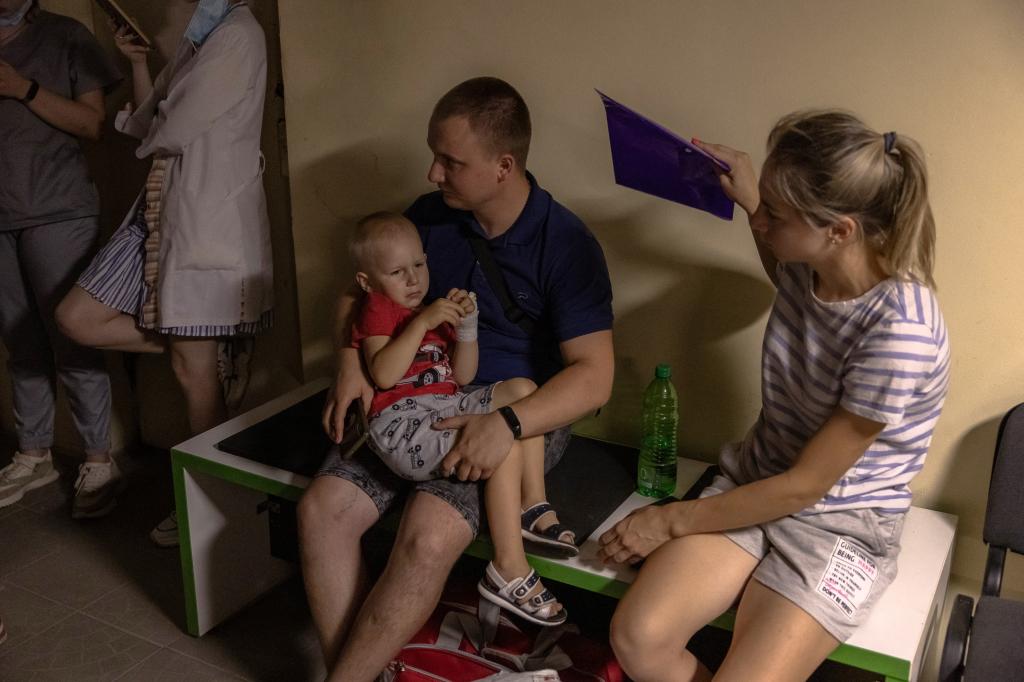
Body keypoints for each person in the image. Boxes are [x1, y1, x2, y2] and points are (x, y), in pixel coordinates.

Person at [599, 111, 950, 681]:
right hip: (755, 484)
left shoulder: (900, 331)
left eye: (776, 215)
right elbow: (778, 246)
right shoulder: (805, 263)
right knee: (638, 636)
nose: (761, 225)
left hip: (840, 523)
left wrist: (668, 523)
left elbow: (806, 487)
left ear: (839, 230)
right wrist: (749, 195)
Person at [300, 77, 615, 681]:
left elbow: (593, 379)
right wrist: (347, 361)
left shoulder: (567, 244)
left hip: (514, 415)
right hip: (413, 399)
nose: (431, 173)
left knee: (426, 532)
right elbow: (356, 293)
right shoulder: (430, 220)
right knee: (322, 511)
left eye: (450, 161)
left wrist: (507, 424)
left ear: (503, 166)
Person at [55, 0, 273, 547]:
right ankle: (208, 340)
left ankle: (210, 509)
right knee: (76, 317)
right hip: (160, 209)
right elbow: (152, 117)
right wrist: (136, 63)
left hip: (206, 217)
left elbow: (172, 127)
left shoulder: (239, 37)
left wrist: (158, 109)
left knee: (193, 380)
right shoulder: (205, 37)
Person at [348, 211, 571, 626]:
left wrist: (466, 327)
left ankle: (533, 505)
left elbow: (463, 375)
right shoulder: (379, 308)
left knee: (523, 394)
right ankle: (508, 568)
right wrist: (424, 322)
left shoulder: (430, 309)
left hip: (445, 405)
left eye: (419, 264)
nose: (413, 279)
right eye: (398, 271)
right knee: (496, 441)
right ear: (368, 282)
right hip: (403, 424)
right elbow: (383, 373)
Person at [0, 0, 121, 517]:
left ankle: (98, 460)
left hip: (58, 210)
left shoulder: (65, 36)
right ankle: (34, 453)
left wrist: (21, 88)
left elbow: (94, 125)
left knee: (72, 336)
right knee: (19, 341)